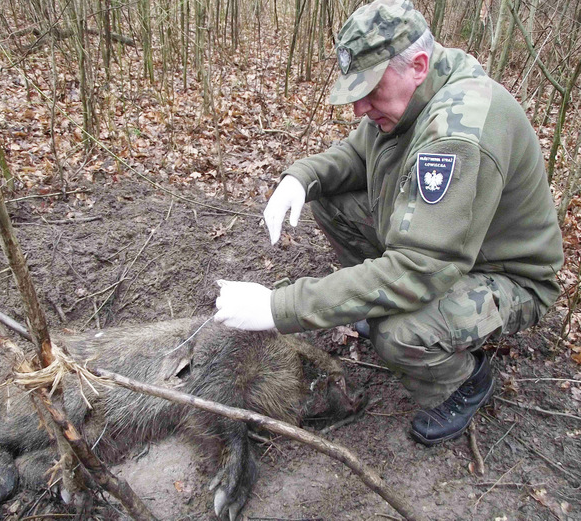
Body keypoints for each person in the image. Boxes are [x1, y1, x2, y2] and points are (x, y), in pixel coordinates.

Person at [214, 0, 564, 446]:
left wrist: (278, 307)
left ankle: (465, 379)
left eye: (370, 90)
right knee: (331, 199)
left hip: (507, 274)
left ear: (417, 64)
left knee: (396, 332)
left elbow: (420, 265)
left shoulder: (457, 131)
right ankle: (388, 303)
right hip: (447, 247)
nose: (360, 107)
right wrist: (302, 178)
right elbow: (359, 153)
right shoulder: (417, 91)